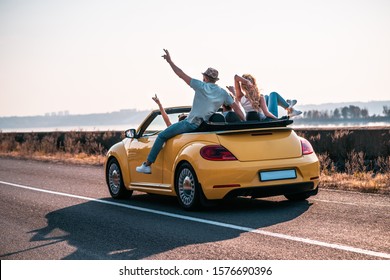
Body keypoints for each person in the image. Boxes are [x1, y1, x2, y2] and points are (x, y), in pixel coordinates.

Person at [136, 49, 245, 174]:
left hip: (190, 123)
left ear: (205, 77)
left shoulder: (201, 86)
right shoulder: (223, 93)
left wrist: (170, 61)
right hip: (203, 124)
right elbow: (236, 108)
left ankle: (147, 165)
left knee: (161, 136)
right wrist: (244, 121)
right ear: (215, 80)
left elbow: (181, 74)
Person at [229, 74, 302, 121]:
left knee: (267, 97)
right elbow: (267, 113)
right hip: (267, 120)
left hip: (254, 117)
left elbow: (236, 77)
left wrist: (245, 81)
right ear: (254, 84)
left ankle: (288, 105)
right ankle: (289, 108)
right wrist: (278, 119)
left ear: (242, 86)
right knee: (273, 94)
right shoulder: (260, 97)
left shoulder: (240, 97)